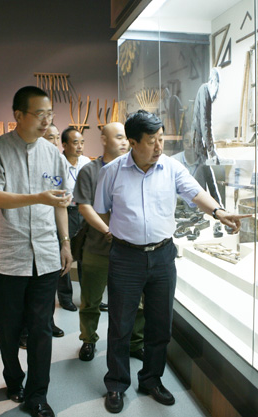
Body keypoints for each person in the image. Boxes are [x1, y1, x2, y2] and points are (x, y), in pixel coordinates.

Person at [94, 110, 243, 413]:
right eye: (151, 141)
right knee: (121, 325)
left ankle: (151, 379)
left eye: (161, 139)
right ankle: (117, 384)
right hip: (126, 258)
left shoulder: (171, 167)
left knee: (160, 324)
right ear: (133, 142)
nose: (159, 146)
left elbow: (195, 193)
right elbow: (103, 210)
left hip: (163, 256)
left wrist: (218, 212)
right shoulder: (112, 172)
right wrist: (127, 235)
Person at [0, 86, 72, 417]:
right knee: (7, 328)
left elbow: (60, 203)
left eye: (50, 114)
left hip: (46, 255)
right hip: (9, 255)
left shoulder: (54, 154)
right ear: (18, 115)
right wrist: (38, 198)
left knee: (41, 328)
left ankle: (38, 394)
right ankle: (13, 377)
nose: (46, 120)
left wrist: (65, 242)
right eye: (39, 114)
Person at [73, 122, 145, 362]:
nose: (124, 142)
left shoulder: (136, 169)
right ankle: (88, 339)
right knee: (90, 300)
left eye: (126, 138)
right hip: (98, 247)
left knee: (136, 302)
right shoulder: (90, 171)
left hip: (131, 250)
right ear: (104, 140)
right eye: (119, 137)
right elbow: (84, 206)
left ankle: (135, 342)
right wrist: (108, 229)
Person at [57, 127, 91, 311]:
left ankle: (89, 297)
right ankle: (65, 297)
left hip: (84, 211)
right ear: (64, 145)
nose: (80, 146)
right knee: (65, 255)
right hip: (66, 212)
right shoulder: (58, 163)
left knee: (87, 255)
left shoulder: (86, 162)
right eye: (75, 142)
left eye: (82, 142)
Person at [190, 67, 223, 206]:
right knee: (204, 178)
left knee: (208, 176)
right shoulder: (205, 90)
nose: (217, 90)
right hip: (198, 143)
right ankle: (216, 208)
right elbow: (206, 123)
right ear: (213, 81)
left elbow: (206, 124)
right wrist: (212, 150)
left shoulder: (205, 91)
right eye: (217, 84)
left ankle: (219, 208)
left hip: (199, 143)